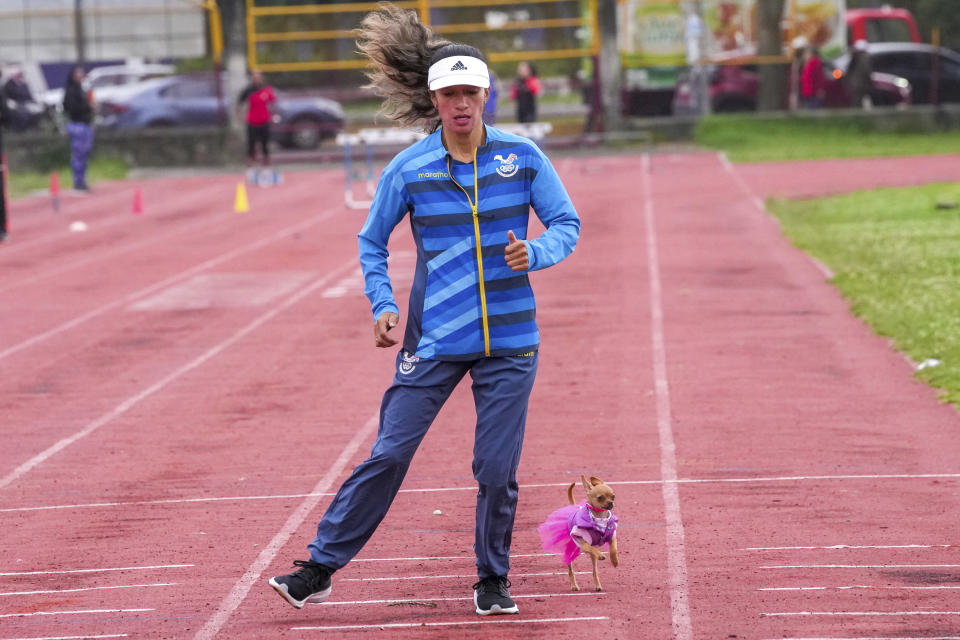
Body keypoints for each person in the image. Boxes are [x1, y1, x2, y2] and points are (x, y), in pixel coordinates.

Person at [268, 2, 580, 618]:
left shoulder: (524, 158)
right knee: (388, 452)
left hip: (511, 341)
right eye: (448, 94)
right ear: (433, 101)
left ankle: (492, 580)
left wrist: (535, 251)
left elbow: (566, 224)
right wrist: (381, 303)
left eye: (469, 92)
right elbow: (370, 240)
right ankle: (319, 568)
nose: (460, 103)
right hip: (433, 338)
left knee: (496, 469)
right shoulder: (408, 168)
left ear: (486, 95)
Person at [237, 70, 277, 175]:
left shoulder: (267, 90)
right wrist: (240, 116)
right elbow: (239, 103)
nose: (256, 79)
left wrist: (274, 115)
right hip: (252, 121)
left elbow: (273, 103)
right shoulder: (248, 90)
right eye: (254, 77)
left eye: (258, 77)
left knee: (265, 145)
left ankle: (266, 168)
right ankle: (250, 167)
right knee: (251, 145)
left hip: (264, 121)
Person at [62, 65, 94, 192]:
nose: (81, 75)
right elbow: (71, 108)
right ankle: (78, 182)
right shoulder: (71, 90)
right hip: (77, 125)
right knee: (78, 155)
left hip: (85, 125)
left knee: (84, 154)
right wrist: (87, 107)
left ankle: (82, 180)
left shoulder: (81, 89)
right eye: (78, 73)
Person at [846, 39, 872, 109]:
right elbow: (867, 71)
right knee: (858, 101)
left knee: (855, 100)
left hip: (853, 83)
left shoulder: (852, 56)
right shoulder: (864, 57)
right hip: (861, 83)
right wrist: (870, 81)